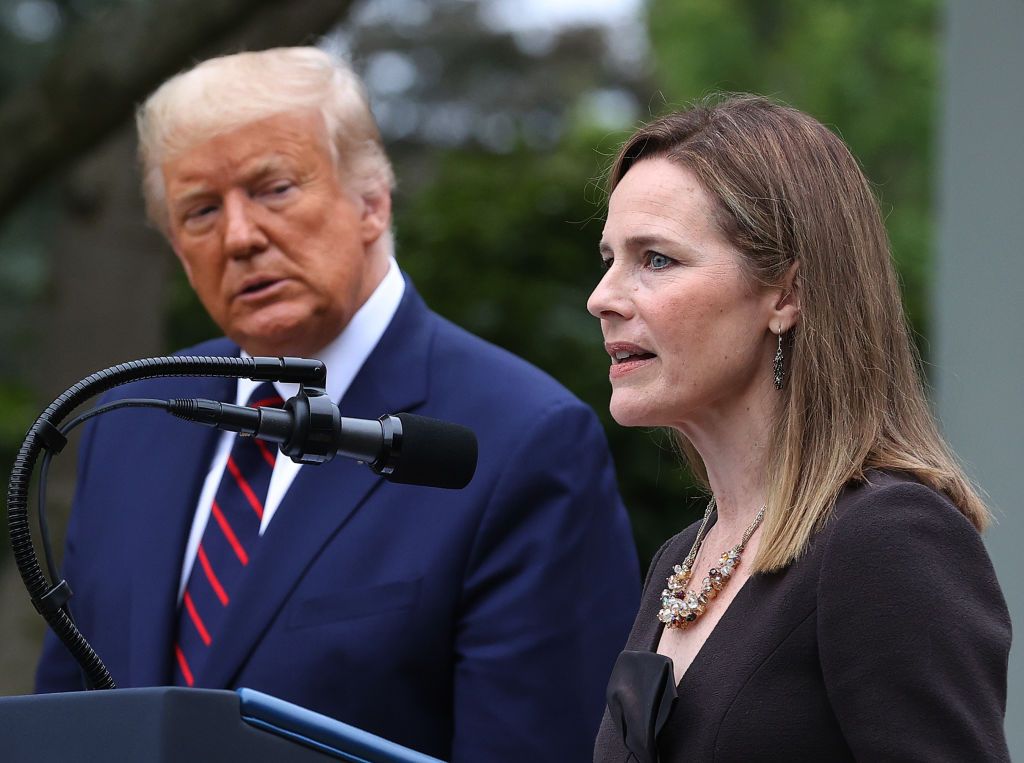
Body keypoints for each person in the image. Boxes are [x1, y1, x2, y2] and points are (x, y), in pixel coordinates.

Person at [34, 47, 640, 762]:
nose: (240, 236)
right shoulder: (131, 420)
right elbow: (64, 724)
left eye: (274, 188)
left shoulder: (518, 440)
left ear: (372, 201)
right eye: (200, 211)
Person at [588, 95, 1011, 761]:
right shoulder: (682, 559)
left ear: (786, 294)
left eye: (656, 259)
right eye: (609, 257)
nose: (604, 297)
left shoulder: (885, 537)